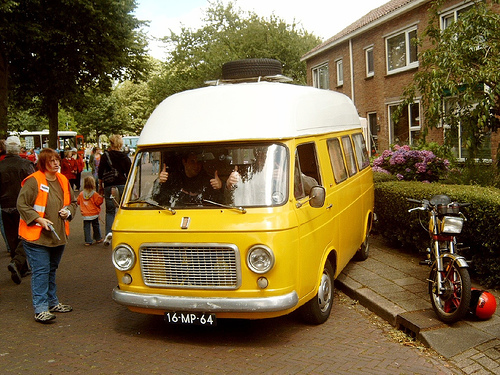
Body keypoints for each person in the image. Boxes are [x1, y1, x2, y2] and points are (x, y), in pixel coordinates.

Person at [17, 148, 77, 323]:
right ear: (43, 163)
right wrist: (39, 220)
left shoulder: (62, 179)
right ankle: (41, 308)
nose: (56, 163)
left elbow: (73, 202)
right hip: (36, 236)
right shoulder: (33, 181)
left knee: (50, 269)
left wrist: (68, 211)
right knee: (41, 271)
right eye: (52, 161)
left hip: (57, 236)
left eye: (57, 159)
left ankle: (52, 302)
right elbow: (22, 205)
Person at [0, 136, 35, 284]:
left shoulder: (1, 166)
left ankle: (20, 267)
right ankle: (18, 263)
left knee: (12, 237)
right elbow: (34, 184)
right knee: (26, 235)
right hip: (23, 205)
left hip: (5, 205)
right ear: (19, 148)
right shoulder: (25, 164)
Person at [153, 151, 236, 206]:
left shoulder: (209, 180)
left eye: (199, 162)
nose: (196, 166)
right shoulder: (173, 179)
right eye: (192, 161)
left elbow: (222, 203)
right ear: (184, 162)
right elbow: (158, 200)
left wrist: (221, 187)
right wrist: (160, 182)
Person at [98, 135, 131, 236]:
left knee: (110, 211)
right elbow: (129, 173)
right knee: (123, 209)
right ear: (120, 144)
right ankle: (123, 232)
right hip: (122, 185)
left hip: (109, 185)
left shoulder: (105, 156)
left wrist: (100, 186)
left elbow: (100, 173)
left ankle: (109, 233)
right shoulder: (125, 157)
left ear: (111, 143)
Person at [77, 176, 104, 246]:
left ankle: (88, 241)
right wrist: (101, 197)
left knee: (86, 227)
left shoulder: (81, 194)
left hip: (85, 214)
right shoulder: (94, 194)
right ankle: (98, 238)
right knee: (96, 226)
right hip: (94, 213)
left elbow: (78, 202)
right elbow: (98, 202)